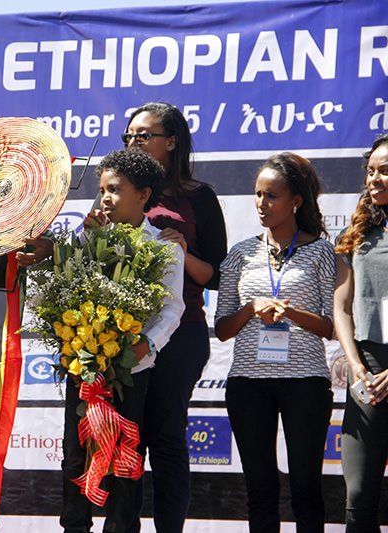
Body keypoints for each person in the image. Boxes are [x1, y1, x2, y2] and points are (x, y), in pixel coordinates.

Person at [62, 149, 185, 533]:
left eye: (115, 189)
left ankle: (121, 528)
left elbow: (172, 309)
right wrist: (82, 243)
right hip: (84, 367)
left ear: (144, 195)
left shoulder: (165, 246)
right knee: (75, 454)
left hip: (132, 368)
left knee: (125, 456)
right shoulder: (86, 239)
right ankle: (74, 526)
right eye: (101, 190)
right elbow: (64, 295)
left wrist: (143, 347)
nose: (105, 198)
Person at [119, 102, 227, 532]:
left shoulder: (198, 196)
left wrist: (182, 251)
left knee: (165, 439)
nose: (134, 142)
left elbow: (217, 275)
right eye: (128, 136)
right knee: (127, 439)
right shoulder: (118, 191)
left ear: (172, 141)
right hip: (123, 336)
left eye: (143, 135)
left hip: (180, 333)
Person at [215, 153, 334, 532]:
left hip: (306, 383)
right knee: (260, 491)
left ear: (296, 200)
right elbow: (222, 328)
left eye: (272, 196)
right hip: (248, 384)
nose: (261, 205)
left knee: (306, 491)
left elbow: (332, 326)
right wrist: (251, 307)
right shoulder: (240, 254)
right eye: (257, 195)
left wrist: (289, 312)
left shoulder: (322, 252)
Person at [333, 133, 388, 531]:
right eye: (370, 170)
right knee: (358, 495)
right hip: (368, 369)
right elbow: (341, 307)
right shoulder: (357, 235)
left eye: (385, 171)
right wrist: (355, 366)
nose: (374, 179)